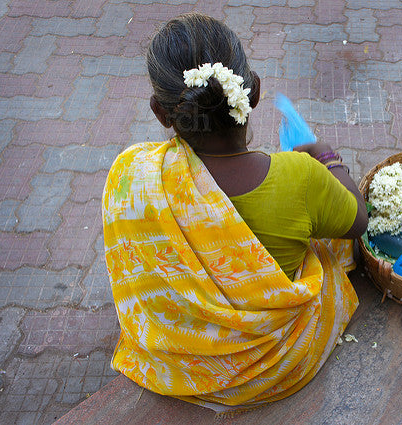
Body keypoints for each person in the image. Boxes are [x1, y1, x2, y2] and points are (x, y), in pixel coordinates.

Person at [102, 13, 368, 411]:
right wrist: (327, 159)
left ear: (161, 113)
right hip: (280, 363)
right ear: (254, 90)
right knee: (330, 248)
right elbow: (359, 221)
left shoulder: (134, 174)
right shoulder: (301, 177)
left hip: (182, 365)